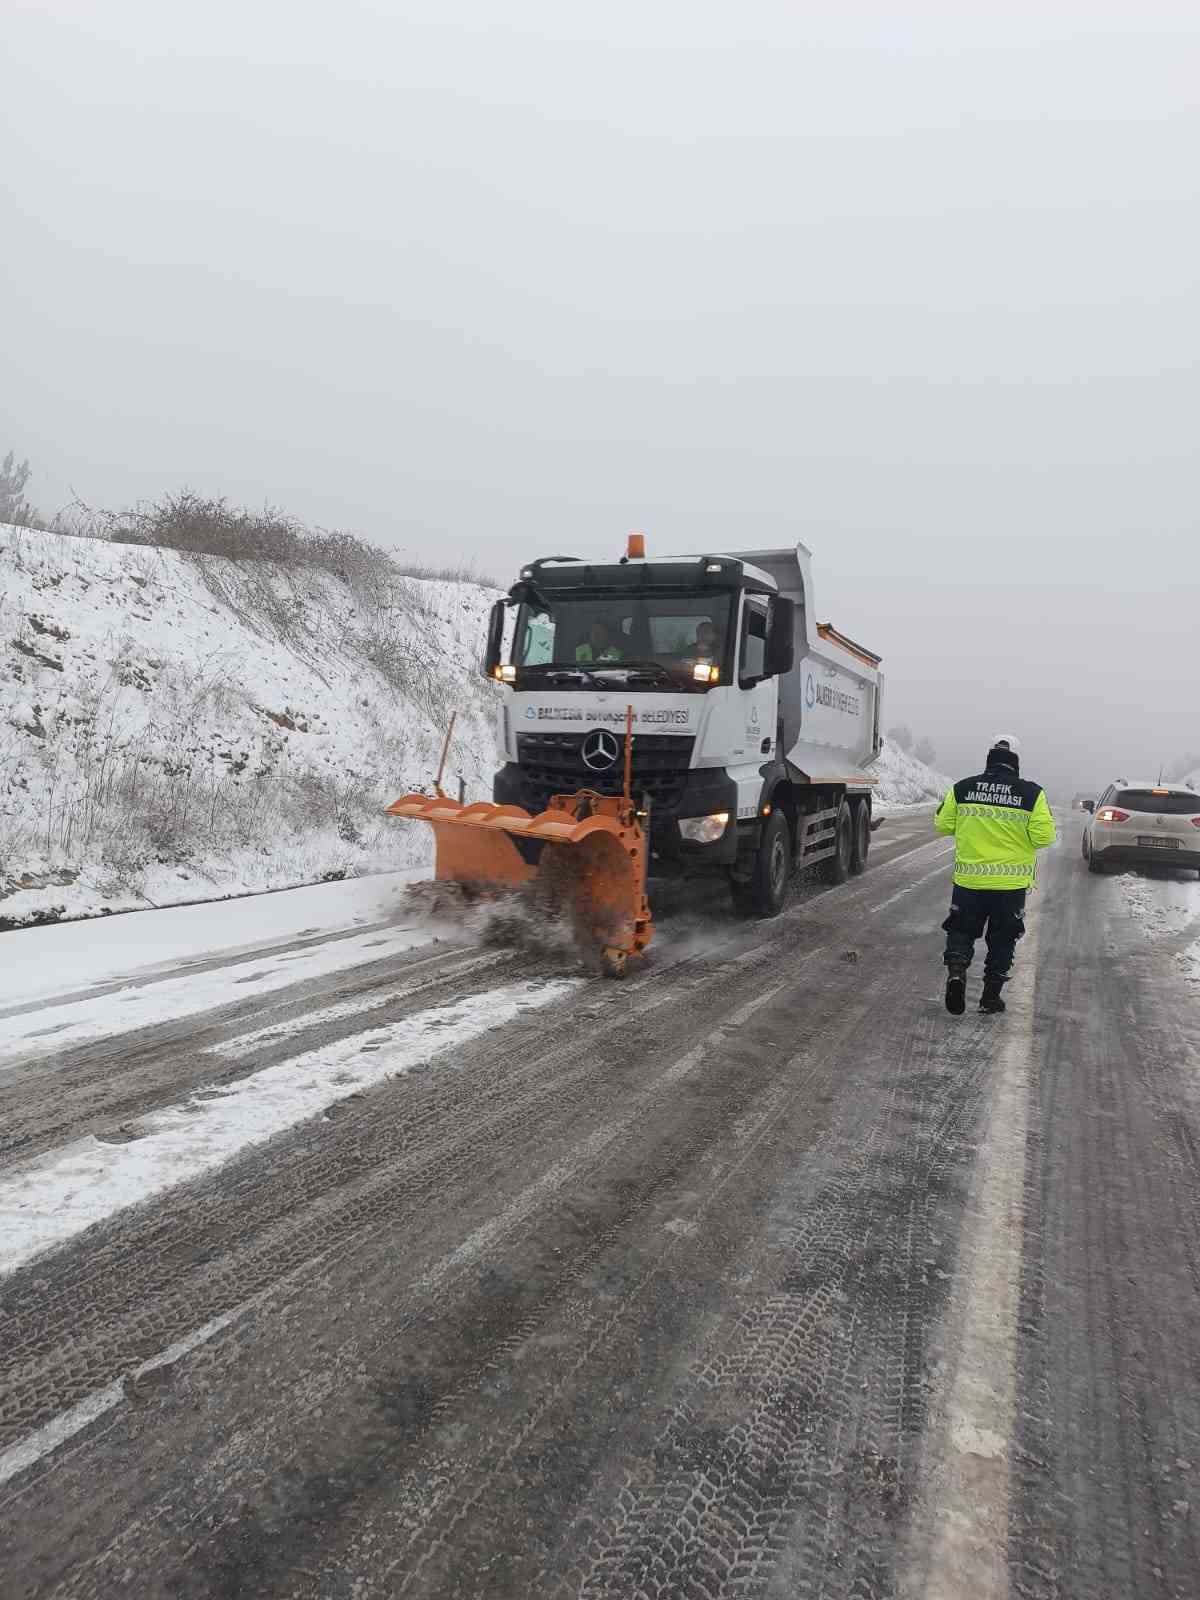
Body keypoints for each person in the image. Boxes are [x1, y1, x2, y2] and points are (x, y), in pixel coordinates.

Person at [934, 734, 1056, 1016]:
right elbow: (1043, 837)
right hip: (1009, 885)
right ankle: (990, 997)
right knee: (1003, 939)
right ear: (1016, 762)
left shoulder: (962, 788)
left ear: (989, 757)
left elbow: (942, 824)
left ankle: (956, 972)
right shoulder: (1032, 794)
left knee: (961, 931)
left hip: (969, 881)